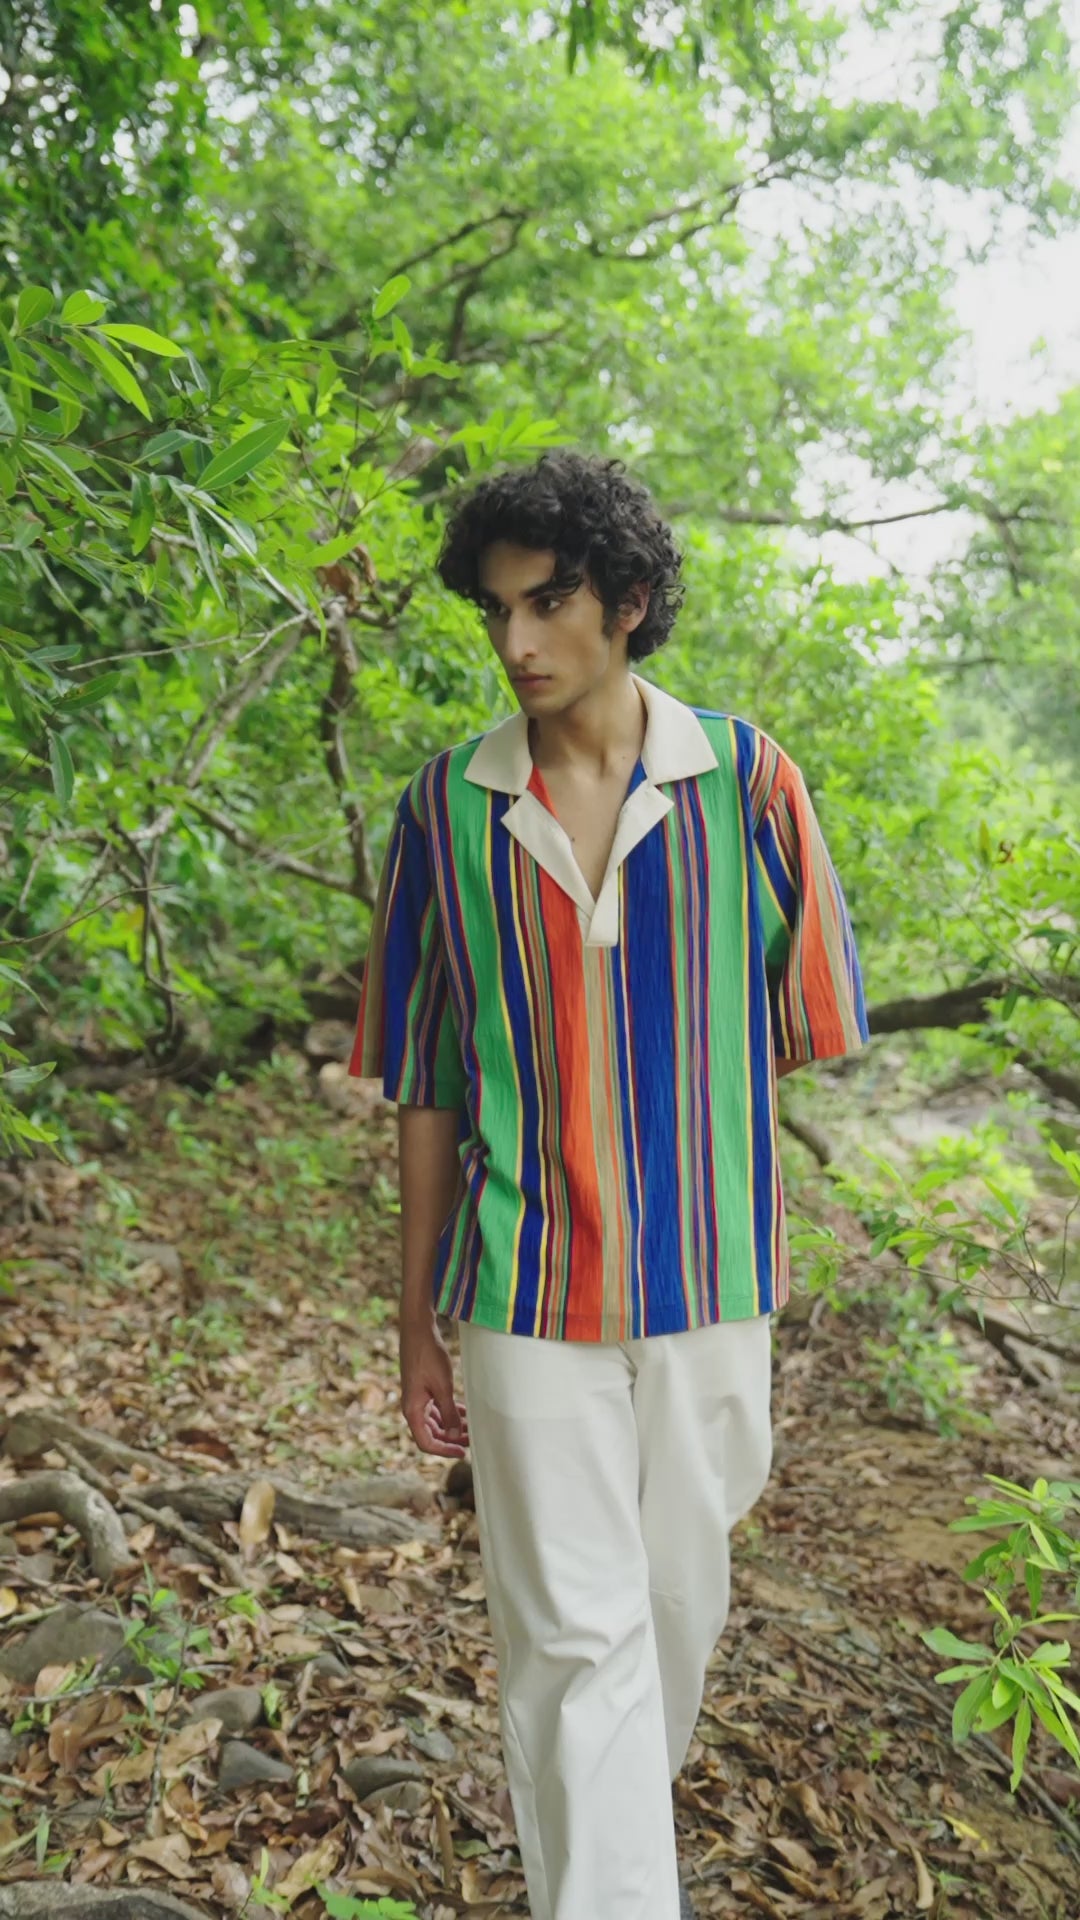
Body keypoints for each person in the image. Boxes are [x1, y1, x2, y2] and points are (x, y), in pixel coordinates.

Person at [348, 450, 870, 1920]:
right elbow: (427, 1081)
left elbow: (793, 1027)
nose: (516, 641)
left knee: (674, 1610)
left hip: (711, 1282)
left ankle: (602, 1861)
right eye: (496, 610)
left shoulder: (750, 781)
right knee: (576, 1640)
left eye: (550, 602)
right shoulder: (445, 809)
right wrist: (415, 1317)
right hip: (523, 1284)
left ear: (628, 601)